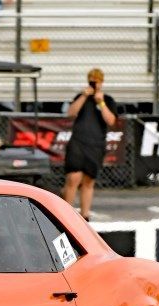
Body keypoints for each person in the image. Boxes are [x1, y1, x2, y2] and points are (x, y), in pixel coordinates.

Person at [62, 67, 117, 221]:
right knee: (73, 178)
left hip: (95, 144)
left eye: (97, 82)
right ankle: (65, 214)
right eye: (92, 81)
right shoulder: (82, 96)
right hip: (79, 141)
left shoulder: (108, 100)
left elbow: (111, 121)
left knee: (88, 180)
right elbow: (71, 113)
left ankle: (85, 215)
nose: (95, 84)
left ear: (102, 83)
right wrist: (84, 96)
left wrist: (101, 103)